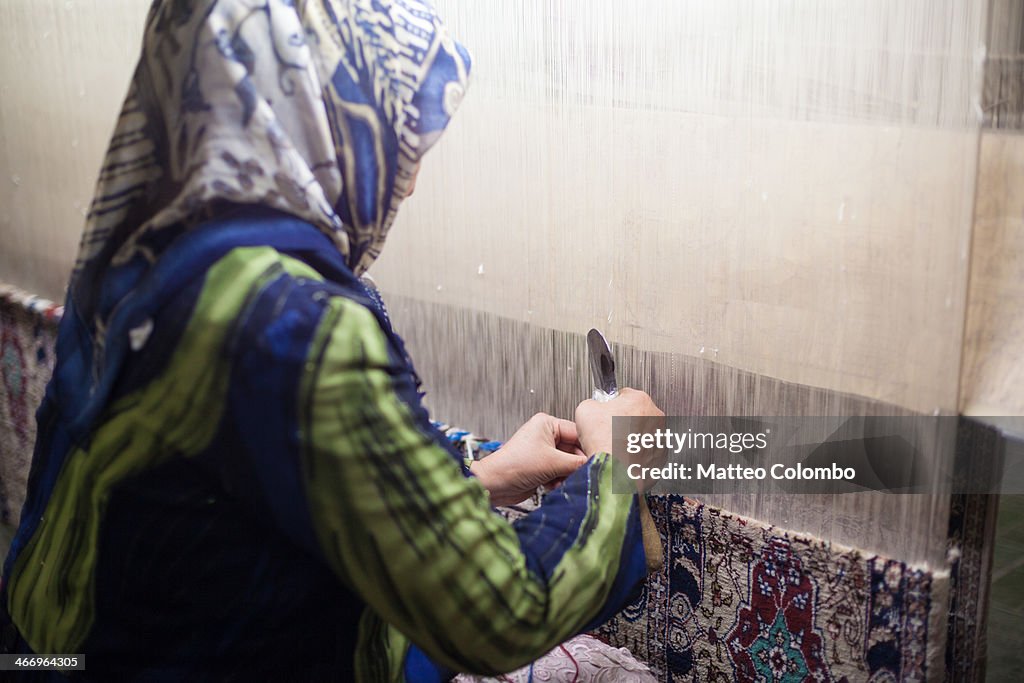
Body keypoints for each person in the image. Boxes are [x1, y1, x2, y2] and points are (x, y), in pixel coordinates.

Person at [0, 1, 664, 680]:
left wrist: (478, 474)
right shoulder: (288, 322)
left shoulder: (142, 249)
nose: (410, 175)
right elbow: (499, 612)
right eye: (403, 135)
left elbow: (242, 467)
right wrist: (618, 459)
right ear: (329, 114)